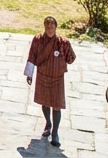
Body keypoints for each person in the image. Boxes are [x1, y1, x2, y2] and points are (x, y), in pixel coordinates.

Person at [27, 15, 76, 147]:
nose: (49, 29)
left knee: (57, 105)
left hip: (57, 78)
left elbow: (71, 58)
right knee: (45, 102)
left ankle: (55, 132)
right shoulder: (38, 40)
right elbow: (32, 56)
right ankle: (48, 123)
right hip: (43, 75)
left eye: (51, 26)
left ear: (55, 27)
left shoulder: (63, 42)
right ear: (44, 27)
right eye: (47, 26)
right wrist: (29, 74)